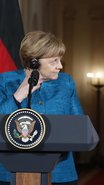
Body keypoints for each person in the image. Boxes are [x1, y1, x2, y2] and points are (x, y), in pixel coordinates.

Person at [0, 31, 83, 185]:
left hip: (61, 174)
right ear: (34, 62)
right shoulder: (5, 81)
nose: (60, 66)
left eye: (60, 60)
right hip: (9, 174)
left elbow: (79, 127)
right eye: (54, 61)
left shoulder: (66, 82)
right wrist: (18, 96)